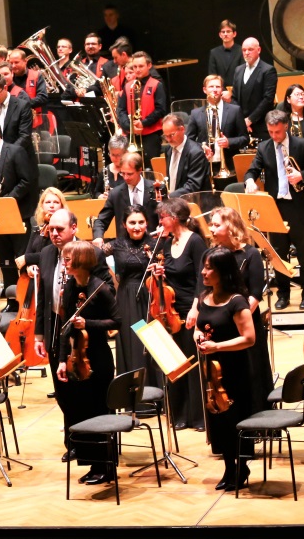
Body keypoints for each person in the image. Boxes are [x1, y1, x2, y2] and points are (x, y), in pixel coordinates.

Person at [245, 109, 304, 310]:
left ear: (286, 127)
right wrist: (250, 180)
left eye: (278, 132)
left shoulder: (302, 144)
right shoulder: (264, 147)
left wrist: (302, 175)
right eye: (271, 132)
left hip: (299, 207)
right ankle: (283, 294)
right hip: (276, 208)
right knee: (279, 255)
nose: (274, 136)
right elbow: (252, 169)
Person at [192, 248, 257, 490]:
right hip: (212, 370)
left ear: (223, 272)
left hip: (234, 369)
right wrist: (198, 337)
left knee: (233, 419)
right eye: (204, 266)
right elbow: (198, 328)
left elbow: (249, 338)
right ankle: (230, 467)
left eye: (209, 268)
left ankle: (241, 466)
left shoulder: (237, 301)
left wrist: (217, 345)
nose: (203, 272)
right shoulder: (204, 297)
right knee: (218, 420)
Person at [55, 241, 119, 485]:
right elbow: (65, 327)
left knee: (99, 410)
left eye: (68, 258)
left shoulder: (100, 288)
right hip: (77, 357)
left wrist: (88, 324)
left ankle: (107, 467)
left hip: (99, 357)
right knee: (81, 410)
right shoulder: (71, 287)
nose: (65, 262)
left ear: (82, 260)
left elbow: (117, 321)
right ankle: (92, 465)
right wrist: (62, 360)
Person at [197, 207, 271, 414]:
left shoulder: (250, 254)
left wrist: (233, 315)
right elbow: (202, 289)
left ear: (231, 227)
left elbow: (255, 294)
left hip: (242, 321)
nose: (211, 229)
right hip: (219, 322)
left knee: (251, 373)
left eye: (216, 225)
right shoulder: (211, 254)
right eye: (211, 224)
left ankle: (257, 416)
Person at [149, 198, 207, 429]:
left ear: (174, 218)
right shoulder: (166, 243)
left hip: (189, 308)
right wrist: (160, 273)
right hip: (169, 311)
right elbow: (171, 277)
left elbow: (202, 279)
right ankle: (180, 414)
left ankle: (199, 416)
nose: (160, 222)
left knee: (192, 363)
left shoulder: (195, 242)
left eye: (162, 217)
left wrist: (195, 308)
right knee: (176, 363)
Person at [0, 119, 38, 288]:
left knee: (21, 257)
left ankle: (26, 295)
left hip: (18, 212)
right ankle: (11, 296)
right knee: (5, 259)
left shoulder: (16, 151)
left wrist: (7, 201)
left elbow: (27, 180)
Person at [108, 207, 152, 376]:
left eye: (141, 222)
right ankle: (132, 386)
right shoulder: (116, 244)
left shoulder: (155, 244)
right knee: (130, 339)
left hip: (149, 296)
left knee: (148, 341)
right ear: (124, 224)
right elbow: (93, 255)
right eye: (132, 222)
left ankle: (151, 384)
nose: (137, 227)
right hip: (126, 298)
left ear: (147, 223)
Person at [187, 75, 250, 180]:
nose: (215, 90)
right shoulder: (195, 113)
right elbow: (189, 141)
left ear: (222, 90)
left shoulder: (235, 110)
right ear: (205, 90)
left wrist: (229, 142)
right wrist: (201, 147)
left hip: (230, 166)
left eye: (218, 87)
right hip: (204, 165)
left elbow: (245, 138)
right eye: (211, 87)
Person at [92, 152, 158, 242]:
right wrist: (98, 237)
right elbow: (101, 220)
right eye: (122, 173)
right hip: (125, 245)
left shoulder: (156, 189)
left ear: (140, 170)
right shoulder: (115, 193)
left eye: (129, 174)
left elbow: (166, 216)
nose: (125, 177)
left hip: (152, 242)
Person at [117, 51, 167, 160]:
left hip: (151, 135)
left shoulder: (157, 85)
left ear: (149, 66)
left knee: (150, 166)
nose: (137, 69)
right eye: (135, 67)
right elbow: (121, 110)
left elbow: (161, 110)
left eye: (141, 66)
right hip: (131, 135)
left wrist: (143, 123)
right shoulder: (127, 86)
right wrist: (130, 126)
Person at [228, 38, 278, 143]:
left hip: (261, 125)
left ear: (258, 50)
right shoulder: (238, 70)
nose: (246, 53)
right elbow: (234, 97)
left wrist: (250, 120)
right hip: (242, 126)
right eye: (244, 50)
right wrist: (241, 121)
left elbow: (268, 99)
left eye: (250, 49)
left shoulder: (268, 70)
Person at [0, 71, 34, 157]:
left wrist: (6, 154)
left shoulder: (22, 106)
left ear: (5, 88)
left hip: (19, 158)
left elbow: (24, 136)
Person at [161, 113, 210, 196]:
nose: (168, 140)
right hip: (175, 199)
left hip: (194, 200)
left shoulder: (196, 153)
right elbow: (173, 180)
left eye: (171, 135)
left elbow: (193, 185)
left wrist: (170, 196)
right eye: (166, 136)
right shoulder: (168, 149)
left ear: (182, 129)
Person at [207, 20, 240, 88]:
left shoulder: (241, 51)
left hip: (237, 90)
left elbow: (243, 75)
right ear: (220, 35)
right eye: (223, 32)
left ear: (234, 34)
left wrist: (232, 91)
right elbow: (212, 76)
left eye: (228, 31)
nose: (225, 34)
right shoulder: (214, 52)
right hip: (219, 90)